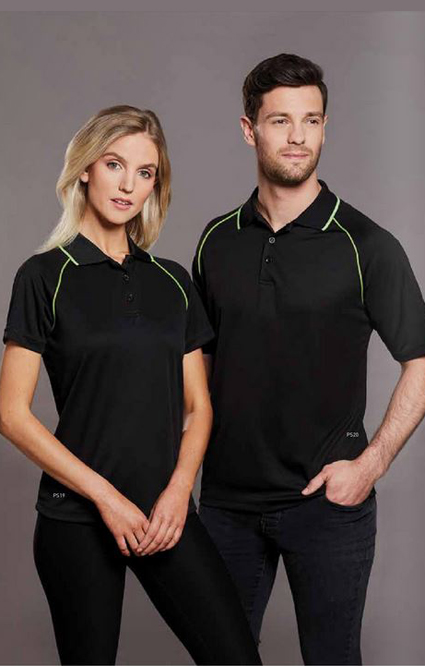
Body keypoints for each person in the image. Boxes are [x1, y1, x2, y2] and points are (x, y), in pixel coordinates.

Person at [0, 105, 262, 666]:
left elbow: (200, 407)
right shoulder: (43, 276)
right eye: (115, 164)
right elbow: (11, 415)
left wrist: (179, 490)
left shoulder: (173, 281)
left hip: (164, 511)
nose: (128, 185)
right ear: (86, 169)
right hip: (78, 516)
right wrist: (107, 498)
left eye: (145, 173)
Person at [191, 53, 425, 665]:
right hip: (226, 504)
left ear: (325, 128)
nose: (298, 137)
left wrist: (371, 464)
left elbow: (422, 360)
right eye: (281, 121)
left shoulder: (366, 245)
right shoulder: (216, 241)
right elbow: (201, 370)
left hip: (327, 506)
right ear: (250, 130)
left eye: (311, 120)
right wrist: (181, 470)